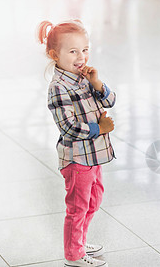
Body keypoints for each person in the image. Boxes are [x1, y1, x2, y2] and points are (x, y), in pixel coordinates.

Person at [37, 20, 116, 267]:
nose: (81, 56)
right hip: (77, 157)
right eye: (73, 51)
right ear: (54, 55)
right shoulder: (59, 88)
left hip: (94, 155)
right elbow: (68, 127)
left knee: (95, 199)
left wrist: (96, 82)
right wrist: (99, 128)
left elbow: (111, 100)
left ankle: (79, 241)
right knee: (78, 206)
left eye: (85, 49)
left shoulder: (83, 78)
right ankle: (73, 254)